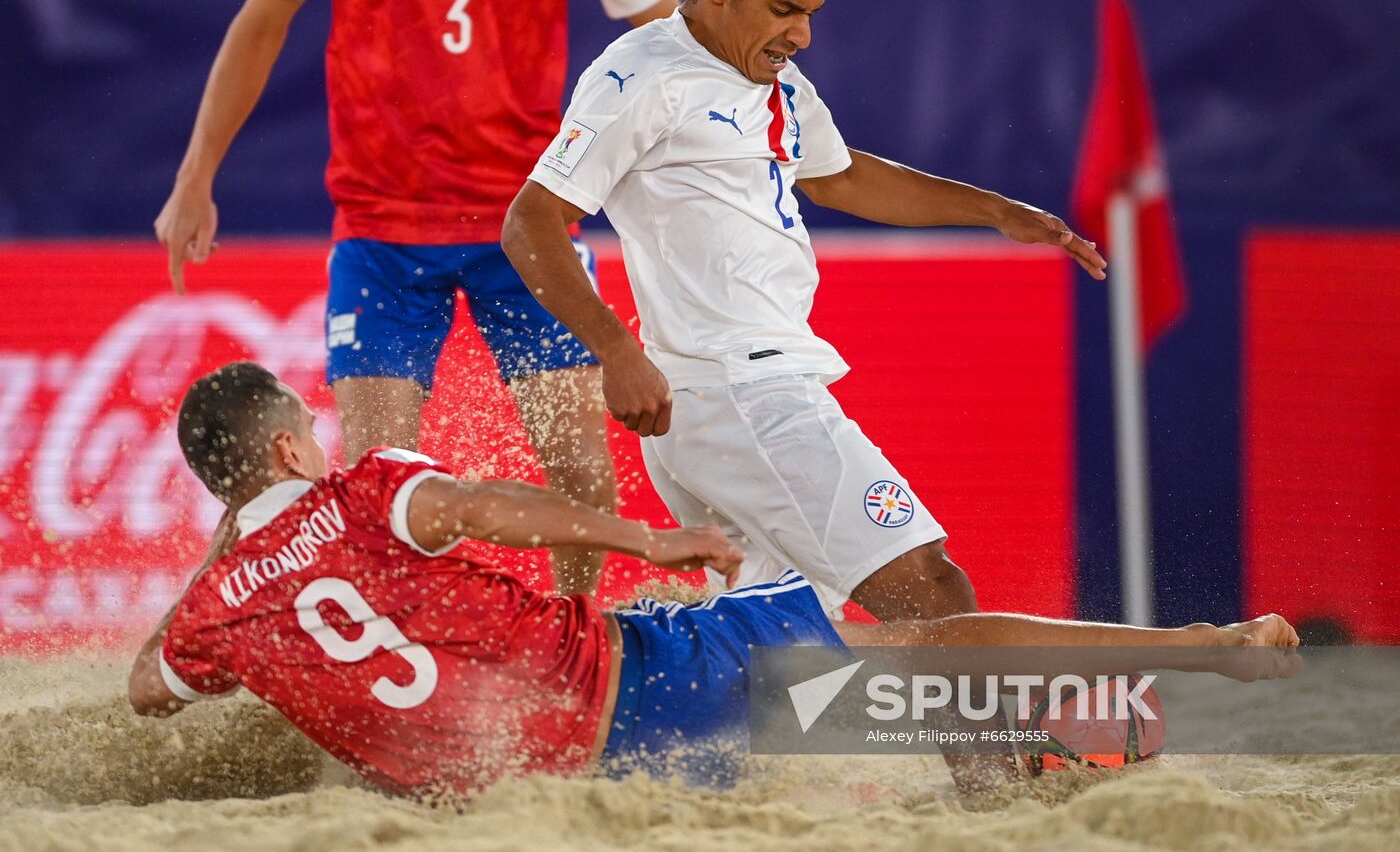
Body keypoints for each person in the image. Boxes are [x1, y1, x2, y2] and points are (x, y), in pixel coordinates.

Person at [128, 362, 1299, 797]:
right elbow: (485, 506)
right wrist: (643, 540)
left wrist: (233, 539)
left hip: (550, 778)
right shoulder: (359, 488)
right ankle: (1201, 644)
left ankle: (1058, 736)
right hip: (642, 693)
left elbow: (143, 686)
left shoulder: (215, 616)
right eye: (306, 436)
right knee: (913, 646)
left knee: (846, 700)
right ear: (291, 449)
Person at [501, 0, 1109, 620]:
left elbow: (840, 175)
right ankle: (993, 743)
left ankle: (627, 719)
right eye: (785, 10)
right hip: (738, 393)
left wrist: (999, 212)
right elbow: (530, 220)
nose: (803, 35)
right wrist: (616, 352)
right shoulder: (642, 75)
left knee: (781, 652)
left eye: (811, 13)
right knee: (933, 591)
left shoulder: (773, 75)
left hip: (737, 395)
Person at [153, 0, 680, 594]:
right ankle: (400, 654)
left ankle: (575, 636)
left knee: (582, 471)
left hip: (526, 226)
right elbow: (261, 22)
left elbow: (668, 37)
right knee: (383, 488)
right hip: (383, 232)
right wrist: (194, 175)